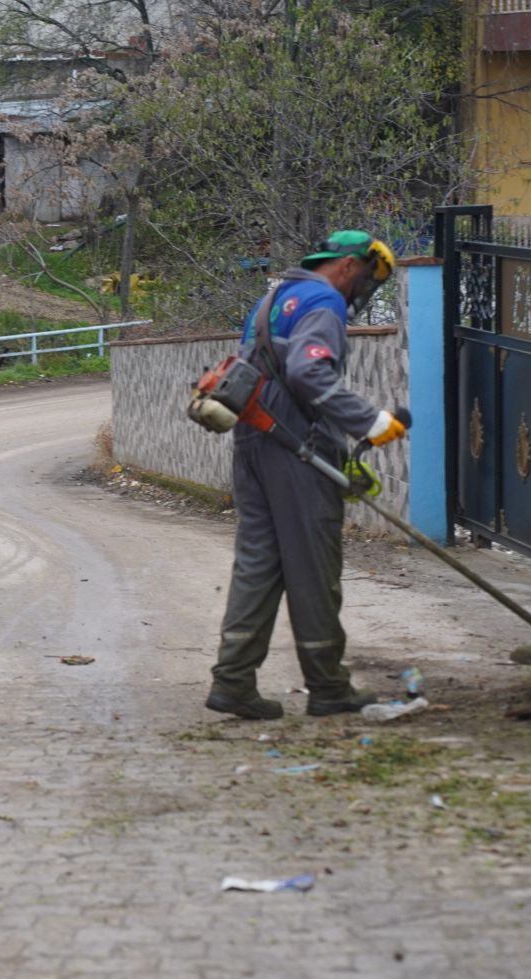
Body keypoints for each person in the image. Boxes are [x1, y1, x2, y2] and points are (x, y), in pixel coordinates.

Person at [205, 230, 409, 720]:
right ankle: (328, 686)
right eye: (366, 279)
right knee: (313, 567)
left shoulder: (273, 300)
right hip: (295, 446)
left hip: (253, 441)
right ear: (347, 266)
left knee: (259, 563)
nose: (362, 292)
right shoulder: (324, 301)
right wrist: (372, 421)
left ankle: (233, 681)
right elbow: (308, 373)